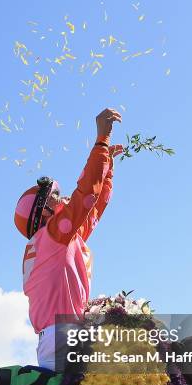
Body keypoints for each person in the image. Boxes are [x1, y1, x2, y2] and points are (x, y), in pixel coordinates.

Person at [14, 108, 123, 370]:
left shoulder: (56, 240)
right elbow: (86, 194)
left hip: (58, 338)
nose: (64, 199)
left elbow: (94, 207)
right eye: (57, 198)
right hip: (65, 338)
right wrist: (101, 142)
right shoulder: (53, 236)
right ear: (45, 213)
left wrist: (106, 170)